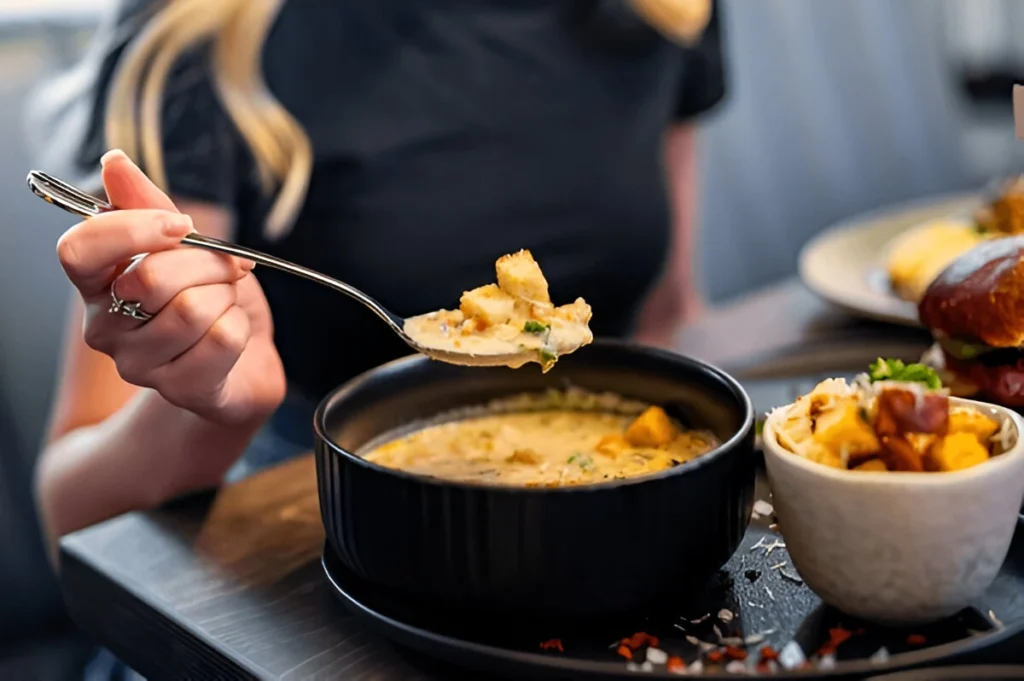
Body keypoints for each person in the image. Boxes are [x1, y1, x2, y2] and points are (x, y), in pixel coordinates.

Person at [30, 0, 726, 675]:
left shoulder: (666, 8)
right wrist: (210, 409)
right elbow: (73, 521)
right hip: (291, 552)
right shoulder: (198, 22)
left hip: (593, 557)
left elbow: (669, 318)